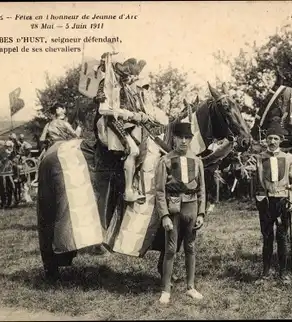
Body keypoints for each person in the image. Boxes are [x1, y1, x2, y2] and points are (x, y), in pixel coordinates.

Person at [155, 122, 206, 304]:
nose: (184, 141)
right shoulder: (165, 160)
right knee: (170, 249)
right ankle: (166, 289)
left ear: (191, 140)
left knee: (190, 247)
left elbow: (201, 190)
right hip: (173, 208)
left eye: (187, 138)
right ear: (174, 139)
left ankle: (190, 286)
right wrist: (164, 216)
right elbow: (160, 191)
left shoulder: (197, 161)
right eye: (180, 138)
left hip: (191, 208)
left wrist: (201, 213)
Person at [94, 53, 150, 202]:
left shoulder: (122, 86)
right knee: (133, 150)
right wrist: (130, 115)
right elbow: (103, 109)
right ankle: (128, 191)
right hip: (109, 121)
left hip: (122, 119)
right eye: (124, 72)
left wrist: (139, 115)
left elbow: (128, 107)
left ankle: (135, 183)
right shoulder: (106, 84)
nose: (127, 76)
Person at [255, 124, 292, 284]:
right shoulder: (260, 159)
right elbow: (255, 182)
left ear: (281, 140)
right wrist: (258, 198)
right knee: (267, 237)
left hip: (283, 201)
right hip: (266, 202)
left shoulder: (289, 158)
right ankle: (265, 272)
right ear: (265, 140)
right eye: (269, 138)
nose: (272, 141)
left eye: (275, 138)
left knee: (282, 237)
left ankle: (284, 272)